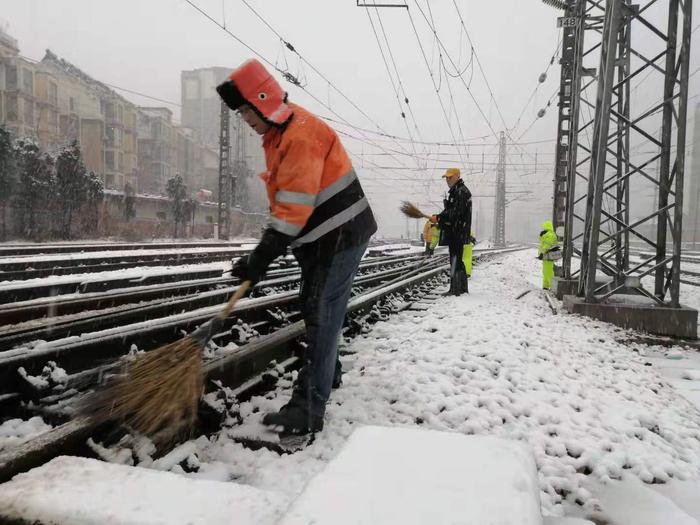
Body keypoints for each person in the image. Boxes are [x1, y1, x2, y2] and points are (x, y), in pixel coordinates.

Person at [216, 59, 377, 436]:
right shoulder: (279, 135)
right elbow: (289, 204)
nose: (245, 121)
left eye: (245, 112)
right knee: (320, 307)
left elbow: (292, 209)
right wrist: (261, 258)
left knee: (320, 313)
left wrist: (261, 257)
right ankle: (328, 374)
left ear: (262, 100)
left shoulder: (299, 136)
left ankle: (308, 407)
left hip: (340, 236)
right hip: (324, 238)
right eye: (240, 115)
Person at [434, 168, 472, 295]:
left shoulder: (461, 192)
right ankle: (460, 289)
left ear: (457, 176)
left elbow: (455, 213)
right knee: (456, 259)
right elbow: (450, 211)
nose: (447, 180)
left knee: (455, 260)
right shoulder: (457, 191)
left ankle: (456, 289)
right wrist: (439, 216)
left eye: (450, 177)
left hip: (457, 231)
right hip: (456, 231)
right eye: (446, 178)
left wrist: (439, 218)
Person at [537, 220, 560, 290]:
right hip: (546, 256)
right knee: (545, 271)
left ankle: (552, 286)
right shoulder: (548, 234)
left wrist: (542, 253)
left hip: (548, 255)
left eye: (544, 227)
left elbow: (546, 246)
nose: (543, 228)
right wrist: (542, 236)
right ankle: (545, 286)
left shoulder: (550, 235)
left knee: (548, 271)